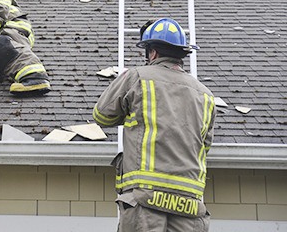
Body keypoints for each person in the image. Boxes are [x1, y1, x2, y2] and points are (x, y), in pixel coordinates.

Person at [92, 17, 216, 232]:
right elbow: (204, 146)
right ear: (182, 54)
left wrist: (131, 111)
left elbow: (102, 116)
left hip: (146, 199)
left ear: (153, 52)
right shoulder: (205, 95)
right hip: (190, 204)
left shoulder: (137, 77)